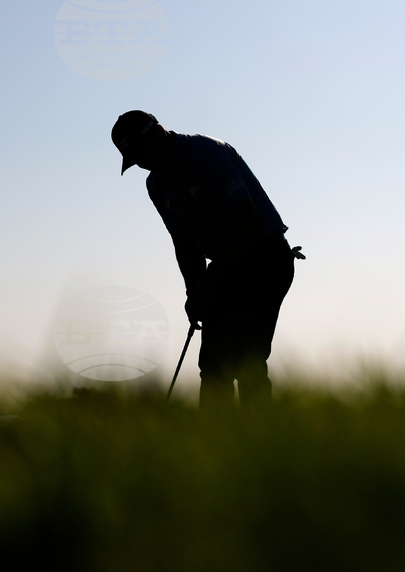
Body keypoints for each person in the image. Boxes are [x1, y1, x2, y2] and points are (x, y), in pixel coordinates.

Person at [111, 110, 303, 409]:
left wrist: (211, 279)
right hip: (226, 268)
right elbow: (184, 243)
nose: (145, 163)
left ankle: (263, 445)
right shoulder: (156, 185)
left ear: (160, 132)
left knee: (246, 358)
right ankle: (217, 444)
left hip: (265, 259)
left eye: (144, 152)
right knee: (213, 364)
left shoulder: (207, 154)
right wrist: (194, 292)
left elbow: (245, 219)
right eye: (136, 159)